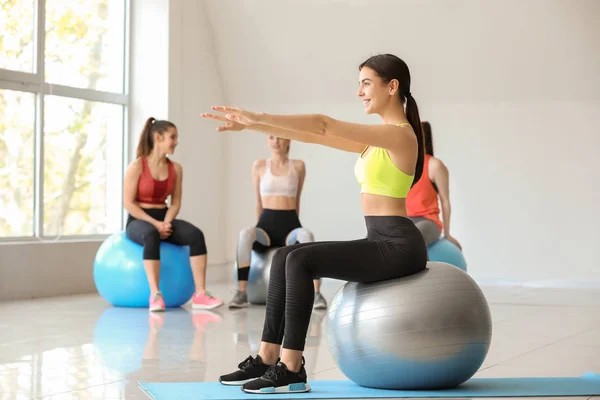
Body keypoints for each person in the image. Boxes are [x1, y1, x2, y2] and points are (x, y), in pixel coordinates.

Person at [201, 53, 428, 394]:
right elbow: (314, 136)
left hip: (397, 245)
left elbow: (323, 124)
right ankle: (267, 356)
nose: (359, 92)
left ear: (392, 86)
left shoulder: (400, 136)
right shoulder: (375, 140)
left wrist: (258, 115)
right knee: (283, 256)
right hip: (378, 239)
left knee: (302, 259)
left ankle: (292, 366)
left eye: (366, 83)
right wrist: (252, 126)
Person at [123, 117, 224, 312]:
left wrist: (166, 222)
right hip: (139, 220)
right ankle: (155, 295)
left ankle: (201, 294)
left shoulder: (175, 168)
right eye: (173, 137)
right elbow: (128, 203)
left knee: (196, 235)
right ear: (158, 137)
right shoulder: (137, 166)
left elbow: (175, 202)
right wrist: (155, 224)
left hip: (164, 218)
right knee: (151, 234)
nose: (176, 142)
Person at [230, 136, 328, 310]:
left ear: (289, 141)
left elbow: (297, 200)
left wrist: (295, 225)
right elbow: (258, 202)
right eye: (271, 137)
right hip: (266, 227)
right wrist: (257, 229)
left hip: (290, 225)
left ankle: (317, 294)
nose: (275, 141)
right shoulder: (259, 165)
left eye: (280, 138)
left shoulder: (298, 166)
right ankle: (242, 293)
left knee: (307, 234)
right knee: (246, 233)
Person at [406, 121, 462, 249]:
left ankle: (424, 267)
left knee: (414, 237)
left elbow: (445, 200)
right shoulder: (403, 165)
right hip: (406, 221)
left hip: (427, 221)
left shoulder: (434, 165)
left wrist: (447, 234)